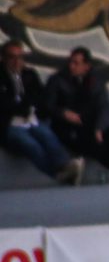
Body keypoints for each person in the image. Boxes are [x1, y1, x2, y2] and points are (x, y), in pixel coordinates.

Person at [45, 47, 109, 182]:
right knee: (95, 146)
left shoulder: (95, 81)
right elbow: (47, 106)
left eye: (77, 63)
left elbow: (103, 107)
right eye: (71, 62)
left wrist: (99, 127)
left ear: (86, 66)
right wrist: (63, 113)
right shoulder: (57, 80)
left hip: (89, 124)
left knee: (107, 136)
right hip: (67, 127)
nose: (72, 66)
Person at [0, 40, 82, 185]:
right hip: (9, 125)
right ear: (3, 58)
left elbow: (39, 97)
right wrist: (23, 105)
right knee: (30, 144)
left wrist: (25, 105)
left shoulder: (29, 74)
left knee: (46, 134)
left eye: (20, 57)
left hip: (31, 120)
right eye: (12, 57)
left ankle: (65, 166)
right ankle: (58, 173)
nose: (17, 61)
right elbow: (5, 104)